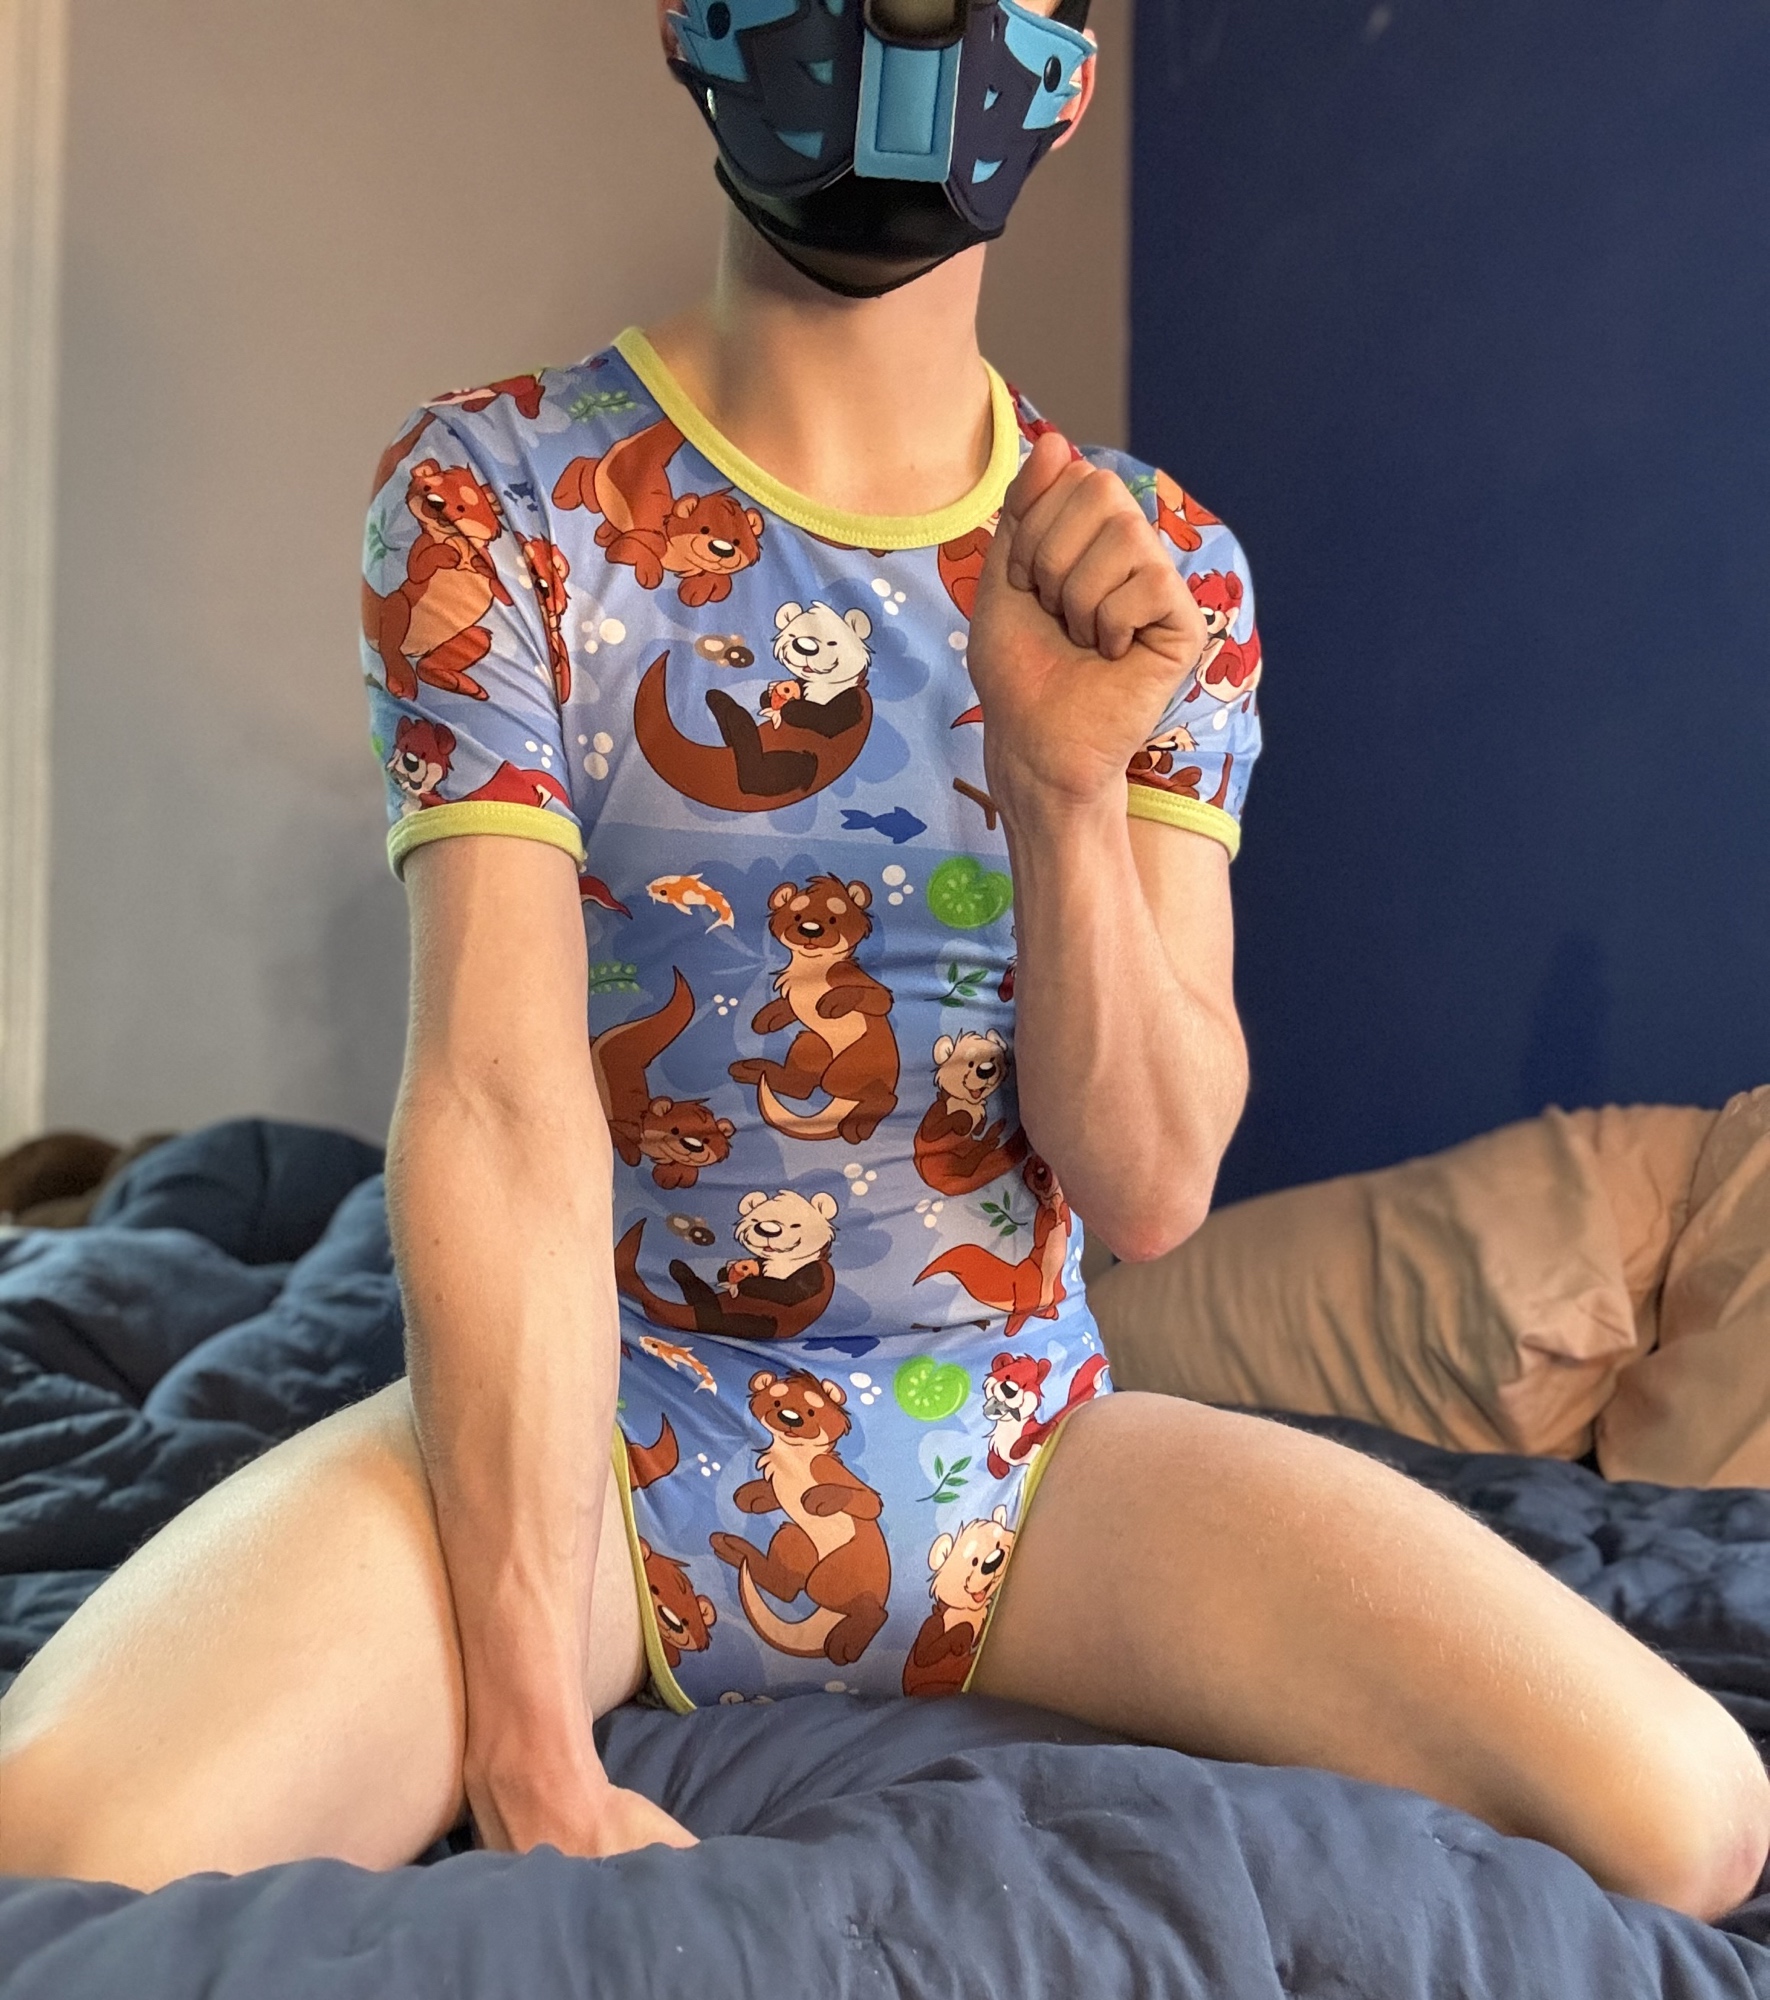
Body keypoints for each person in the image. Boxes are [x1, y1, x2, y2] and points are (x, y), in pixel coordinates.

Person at [1, 0, 1764, 1920]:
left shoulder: (1159, 570)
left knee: (1685, 1815)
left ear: (1070, 78)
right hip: (606, 1441)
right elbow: (498, 1104)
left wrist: (1062, 789)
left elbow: (1151, 1186)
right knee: (58, 1844)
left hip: (1020, 1453)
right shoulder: (494, 492)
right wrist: (532, 1761)